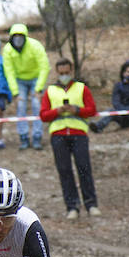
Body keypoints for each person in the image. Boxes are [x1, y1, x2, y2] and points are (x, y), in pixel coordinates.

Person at [40, 59, 100, 219]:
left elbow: (92, 110)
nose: (64, 76)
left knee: (84, 167)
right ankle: (72, 207)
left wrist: (77, 110)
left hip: (78, 133)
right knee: (64, 170)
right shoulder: (50, 91)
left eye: (67, 73)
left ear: (72, 71)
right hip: (58, 135)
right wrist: (57, 111)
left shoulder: (82, 88)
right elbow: (43, 115)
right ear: (57, 73)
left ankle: (91, 204)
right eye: (61, 73)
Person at [1, 24, 49, 150]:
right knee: (21, 106)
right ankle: (23, 137)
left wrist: (38, 89)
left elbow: (44, 66)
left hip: (35, 78)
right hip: (19, 80)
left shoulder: (35, 45)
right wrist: (15, 93)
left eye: (20, 36)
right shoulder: (8, 49)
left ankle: (37, 136)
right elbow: (9, 71)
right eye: (15, 36)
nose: (18, 39)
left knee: (36, 105)